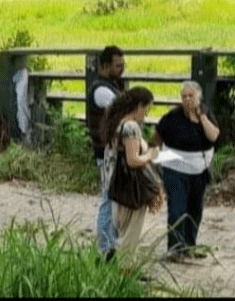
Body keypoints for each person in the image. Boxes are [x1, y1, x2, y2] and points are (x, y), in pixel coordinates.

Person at [151, 80, 220, 262]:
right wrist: (153, 159)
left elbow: (213, 136)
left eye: (191, 96)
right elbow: (157, 138)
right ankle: (175, 249)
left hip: (199, 169)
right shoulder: (172, 117)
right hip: (175, 168)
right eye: (184, 96)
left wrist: (201, 117)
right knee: (177, 209)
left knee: (195, 208)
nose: (187, 99)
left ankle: (189, 245)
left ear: (199, 97)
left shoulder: (206, 113)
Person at [102, 86, 162, 264]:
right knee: (130, 238)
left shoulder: (117, 124)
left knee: (122, 234)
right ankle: (124, 276)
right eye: (146, 108)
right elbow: (133, 160)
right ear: (139, 106)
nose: (146, 113)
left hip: (116, 186)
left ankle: (114, 267)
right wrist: (151, 155)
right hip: (131, 188)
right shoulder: (131, 127)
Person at [87, 45, 126, 259]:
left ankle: (111, 246)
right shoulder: (102, 90)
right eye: (117, 66)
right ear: (104, 66)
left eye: (122, 65)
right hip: (107, 153)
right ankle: (105, 250)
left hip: (113, 152)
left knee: (113, 199)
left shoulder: (111, 86)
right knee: (107, 200)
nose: (121, 69)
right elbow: (121, 114)